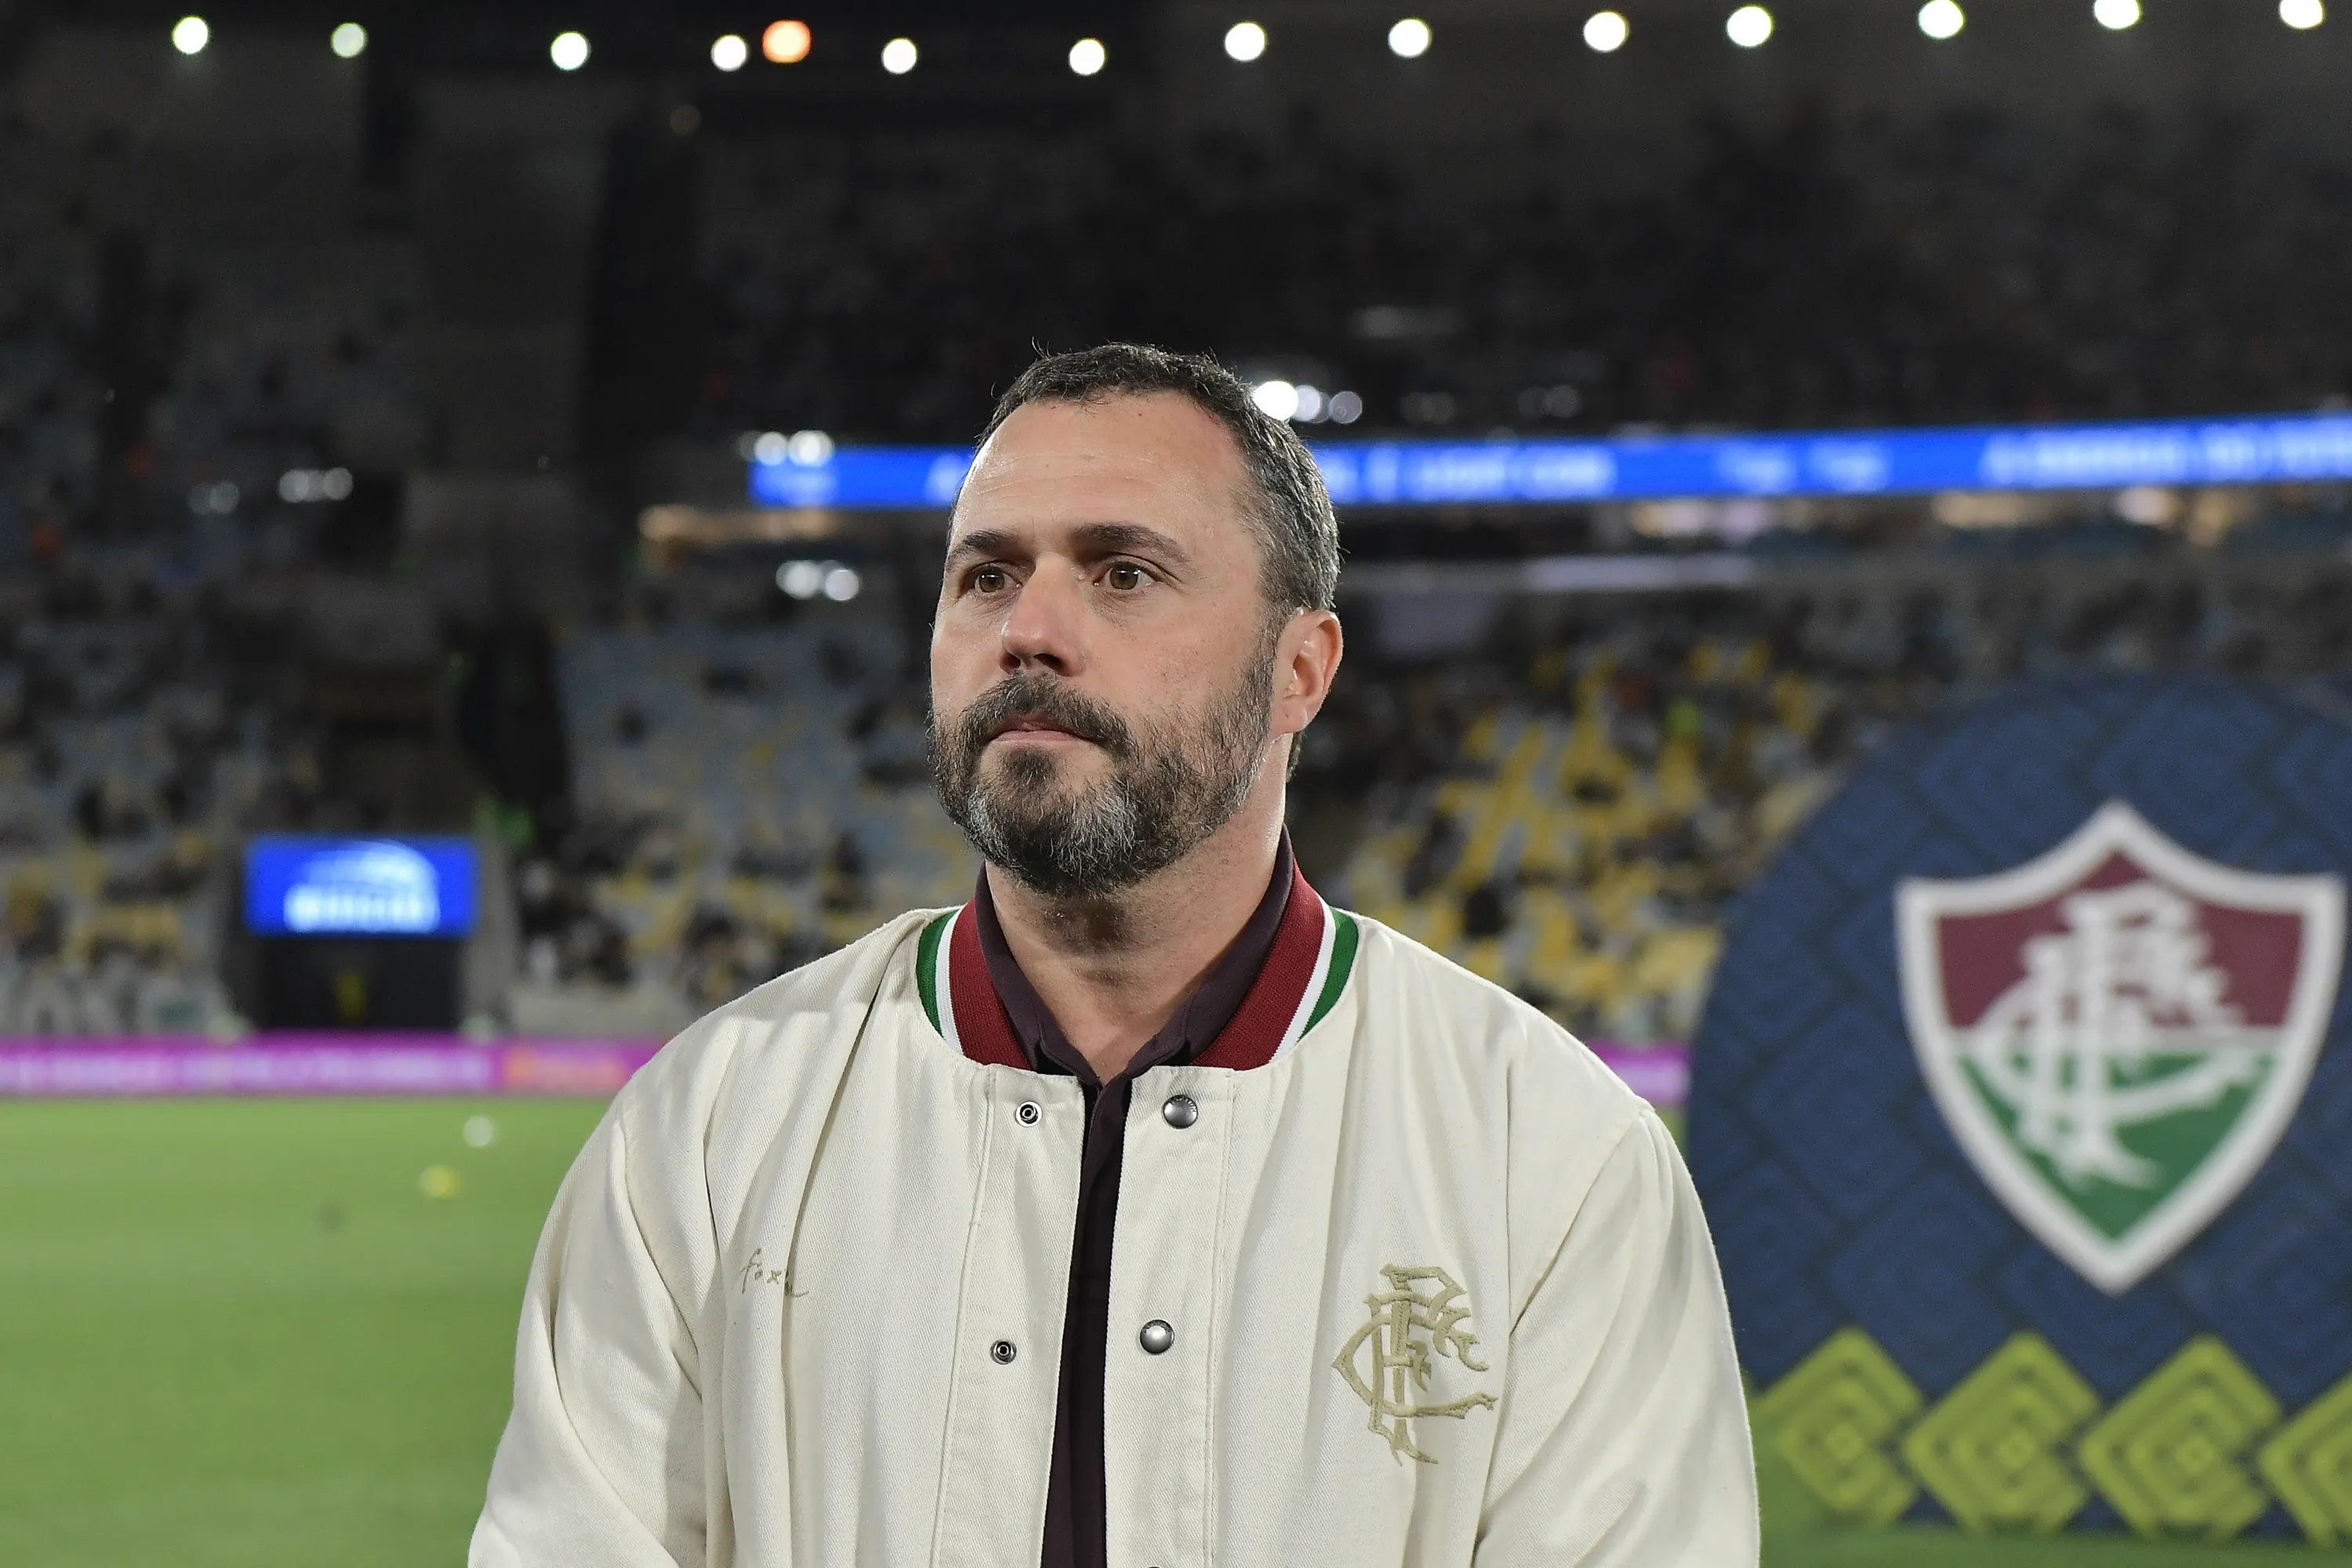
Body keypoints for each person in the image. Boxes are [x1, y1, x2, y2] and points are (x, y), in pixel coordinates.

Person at [471, 344, 1759, 1567]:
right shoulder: (704, 1134)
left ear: (1299, 669)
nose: (1029, 628)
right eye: (984, 576)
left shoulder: (1553, 1158)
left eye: (1122, 572)